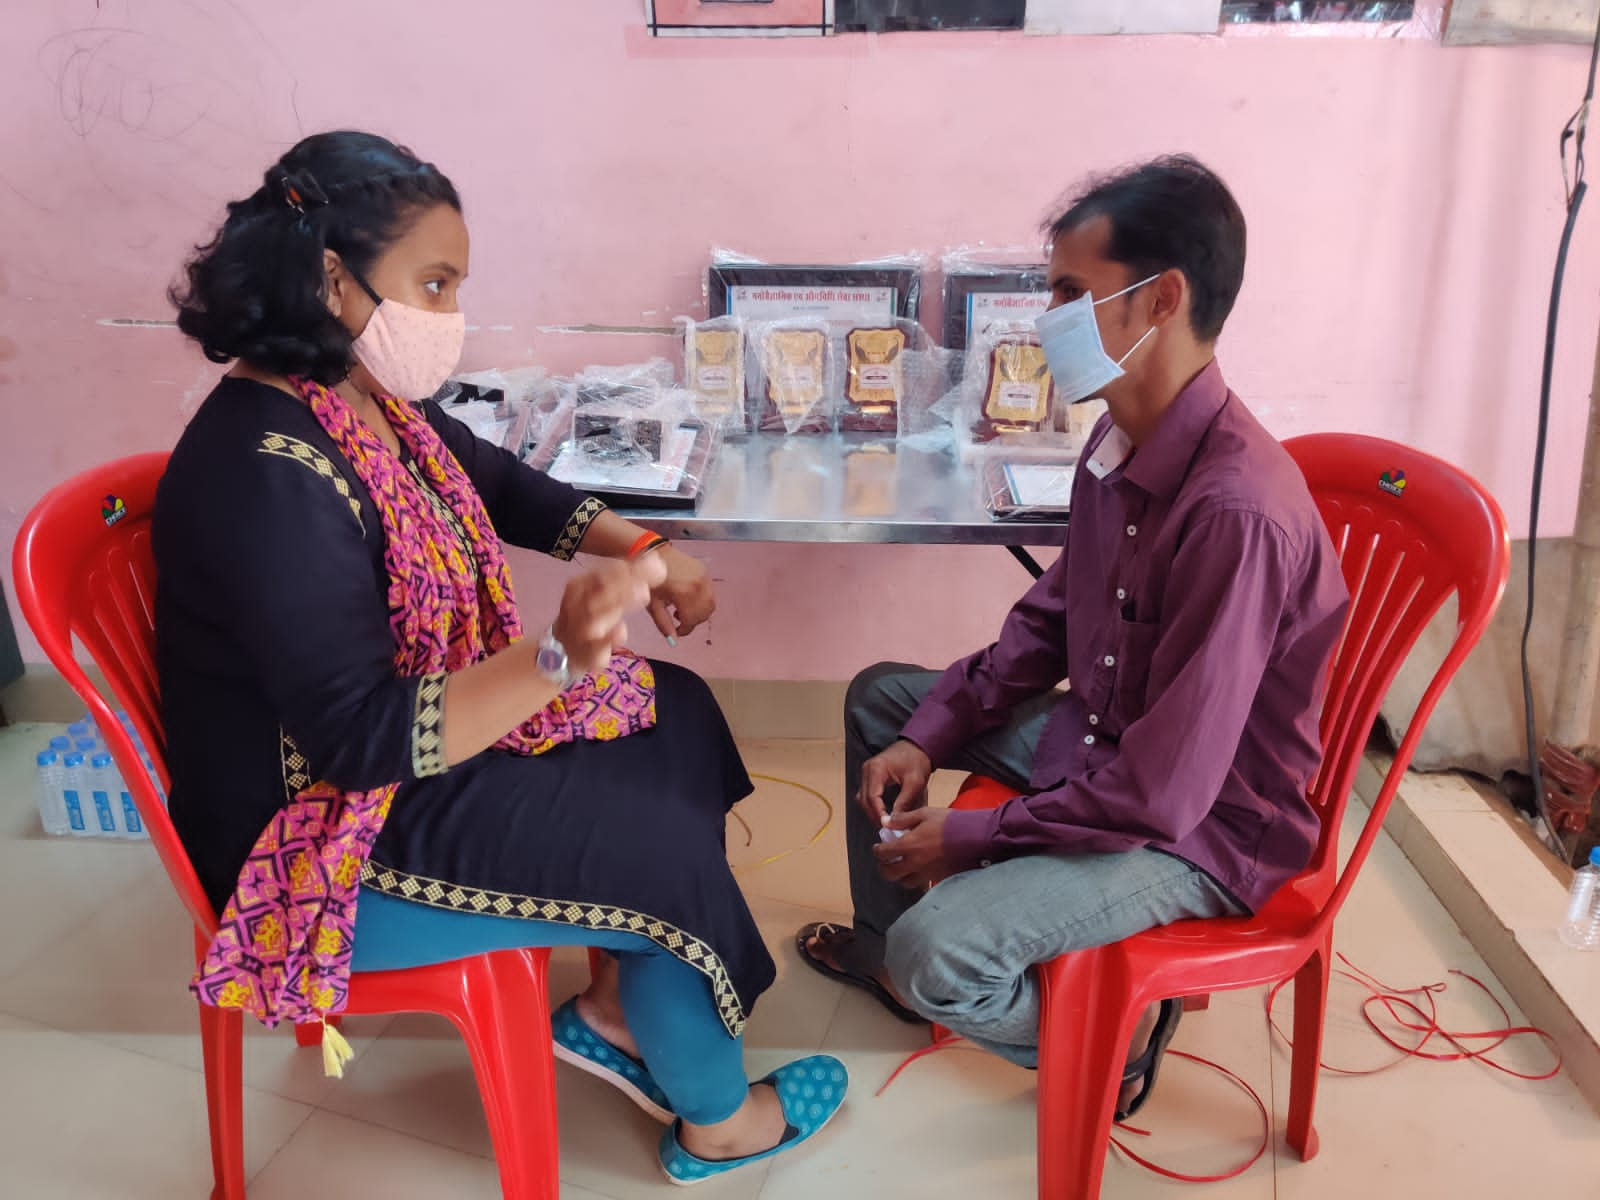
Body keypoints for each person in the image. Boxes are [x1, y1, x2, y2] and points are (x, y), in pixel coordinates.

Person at [156, 130, 845, 1185]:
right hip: (322, 842)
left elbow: (507, 487)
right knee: (652, 849)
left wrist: (646, 550)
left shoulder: (359, 399)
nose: (446, 316)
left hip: (393, 766)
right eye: (431, 285)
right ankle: (717, 1116)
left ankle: (618, 1011)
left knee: (675, 711)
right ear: (333, 277)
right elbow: (364, 736)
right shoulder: (265, 471)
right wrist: (558, 657)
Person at [798, 155, 1349, 1117]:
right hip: (1112, 749)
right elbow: (1054, 618)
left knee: (946, 953)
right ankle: (889, 962)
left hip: (1201, 829)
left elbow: (1163, 794)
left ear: (1161, 299)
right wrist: (927, 737)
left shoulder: (1235, 514)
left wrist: (971, 838)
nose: (1043, 318)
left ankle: (1109, 1053)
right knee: (884, 702)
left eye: (1068, 292)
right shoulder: (1117, 440)